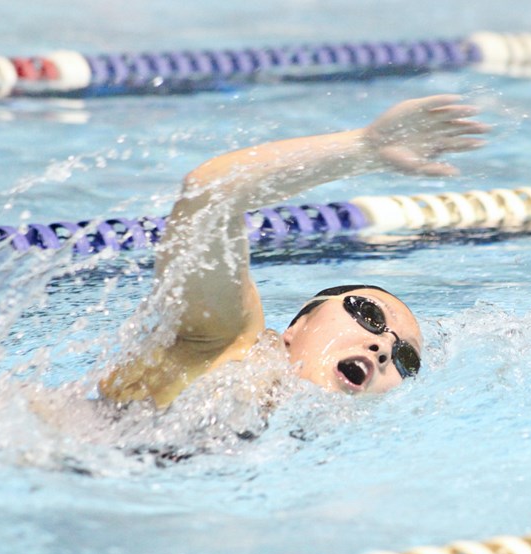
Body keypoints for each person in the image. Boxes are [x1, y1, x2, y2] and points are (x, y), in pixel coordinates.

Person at [96, 94, 489, 410]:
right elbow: (211, 192)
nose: (384, 346)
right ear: (296, 328)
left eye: (407, 360)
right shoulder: (227, 343)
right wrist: (365, 148)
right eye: (367, 314)